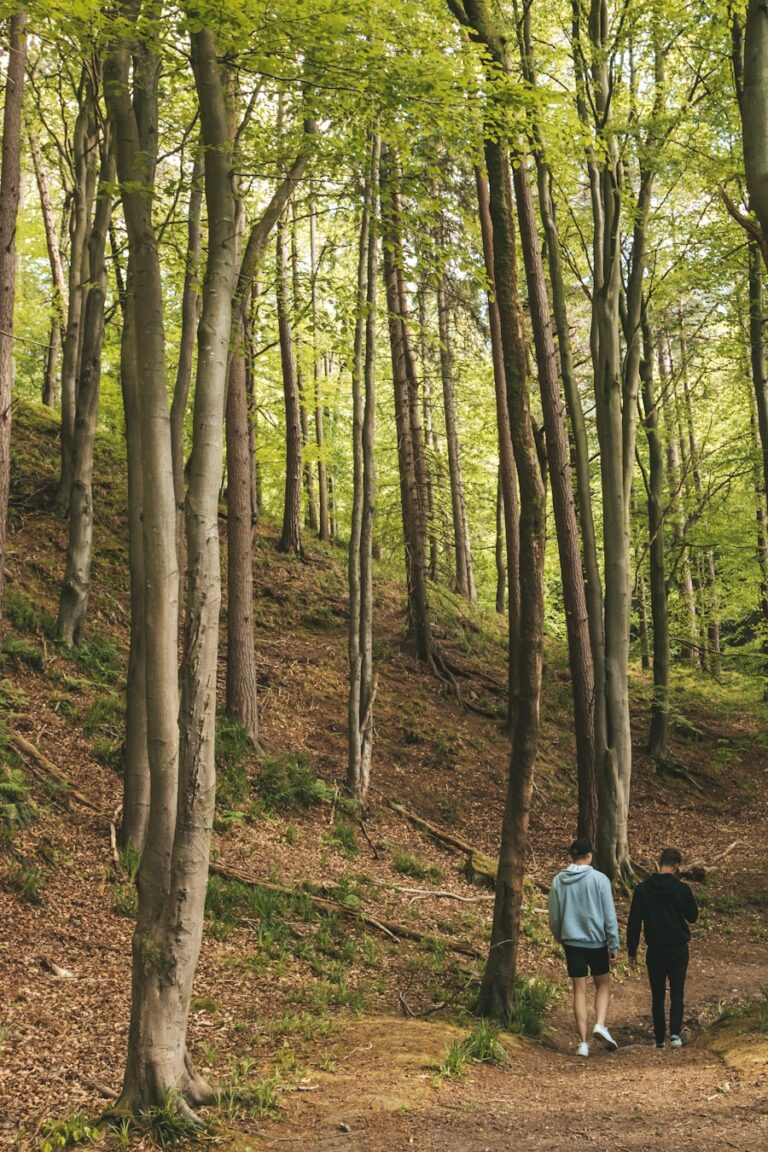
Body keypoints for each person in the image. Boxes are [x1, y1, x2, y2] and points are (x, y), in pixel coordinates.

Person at [548, 836, 621, 1057]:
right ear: (589, 856)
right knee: (603, 984)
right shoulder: (600, 880)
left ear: (573, 856)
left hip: (572, 941)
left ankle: (583, 1043)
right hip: (596, 941)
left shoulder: (558, 881)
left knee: (579, 989)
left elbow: (554, 916)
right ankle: (600, 1024)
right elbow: (609, 915)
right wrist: (614, 943)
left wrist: (561, 936)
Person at [627, 846, 698, 1050]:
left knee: (657, 994)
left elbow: (634, 923)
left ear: (660, 863)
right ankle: (675, 1035)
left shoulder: (642, 889)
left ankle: (659, 1039)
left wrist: (632, 950)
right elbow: (693, 917)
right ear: (676, 867)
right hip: (678, 949)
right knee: (677, 992)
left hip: (655, 950)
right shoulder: (682, 890)